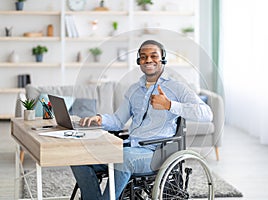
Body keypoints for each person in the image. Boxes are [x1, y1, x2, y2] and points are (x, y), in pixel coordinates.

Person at [71, 40, 213, 199]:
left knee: (122, 158)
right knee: (79, 157)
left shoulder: (177, 88)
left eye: (154, 56)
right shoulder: (134, 90)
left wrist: (169, 105)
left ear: (163, 59)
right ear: (139, 61)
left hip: (156, 153)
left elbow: (207, 114)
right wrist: (99, 119)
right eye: (143, 57)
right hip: (130, 146)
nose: (148, 60)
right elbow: (118, 121)